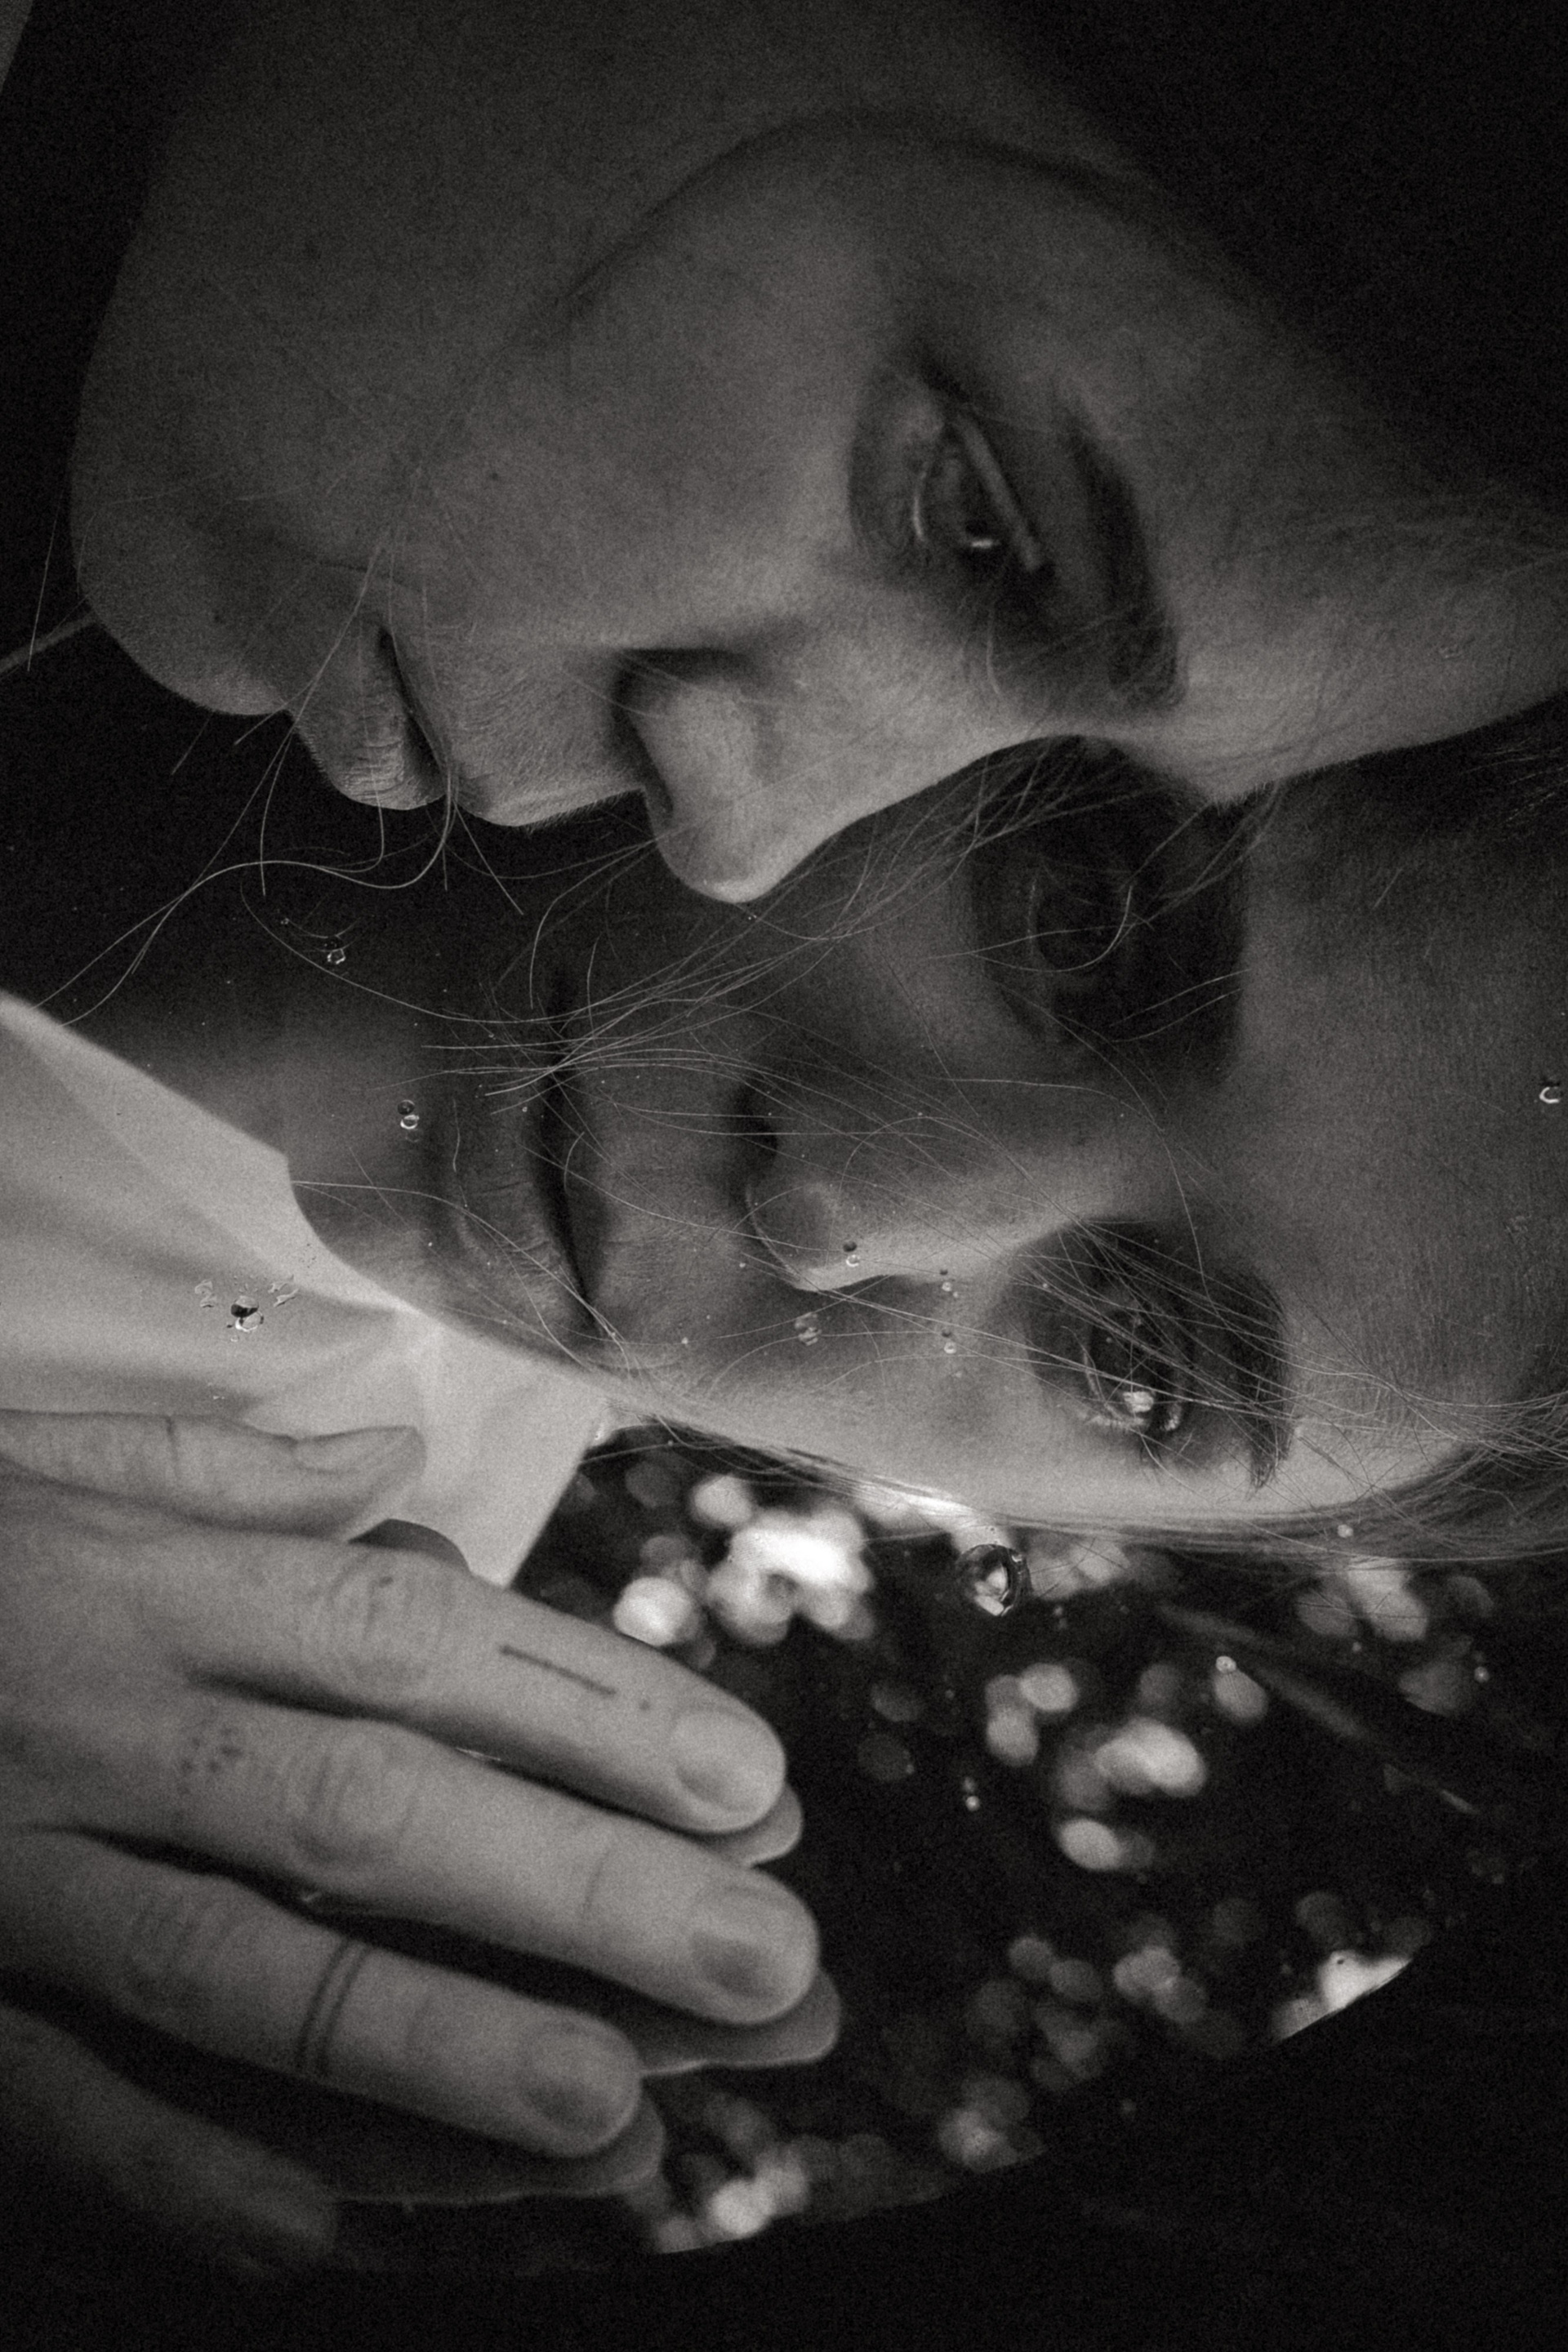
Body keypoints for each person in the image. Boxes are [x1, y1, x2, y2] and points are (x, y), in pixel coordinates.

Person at [3, 0, 1567, 2289]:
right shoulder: (247, 337)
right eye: (1079, 925)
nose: (840, 1213)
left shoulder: (152, 1759)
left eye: (1137, 1368)